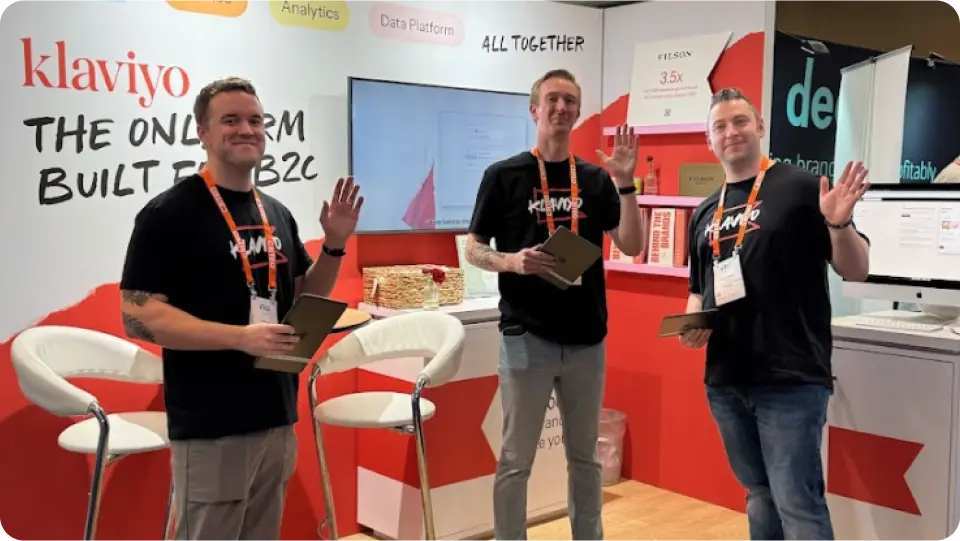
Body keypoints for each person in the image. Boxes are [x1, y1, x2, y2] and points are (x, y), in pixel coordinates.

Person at [119, 77, 363, 541]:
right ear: (203, 133)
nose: (246, 129)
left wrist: (334, 244)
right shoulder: (168, 214)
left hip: (276, 413)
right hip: (211, 421)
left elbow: (304, 295)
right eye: (230, 120)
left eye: (255, 120)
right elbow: (139, 316)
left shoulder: (275, 212)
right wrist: (239, 338)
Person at [680, 88, 870, 541]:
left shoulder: (803, 188)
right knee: (759, 495)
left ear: (760, 127)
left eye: (740, 121)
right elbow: (698, 291)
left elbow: (857, 269)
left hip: (790, 376)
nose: (731, 132)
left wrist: (839, 224)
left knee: (798, 504)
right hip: (726, 380)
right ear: (709, 140)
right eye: (720, 126)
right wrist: (692, 324)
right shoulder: (705, 212)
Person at [465, 68, 646, 541]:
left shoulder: (596, 180)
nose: (561, 107)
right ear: (535, 110)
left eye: (570, 100)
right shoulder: (503, 176)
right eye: (552, 99)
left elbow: (631, 244)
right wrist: (512, 261)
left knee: (585, 459)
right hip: (526, 336)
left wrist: (626, 183)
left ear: (578, 112)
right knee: (515, 460)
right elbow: (473, 248)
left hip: (587, 339)